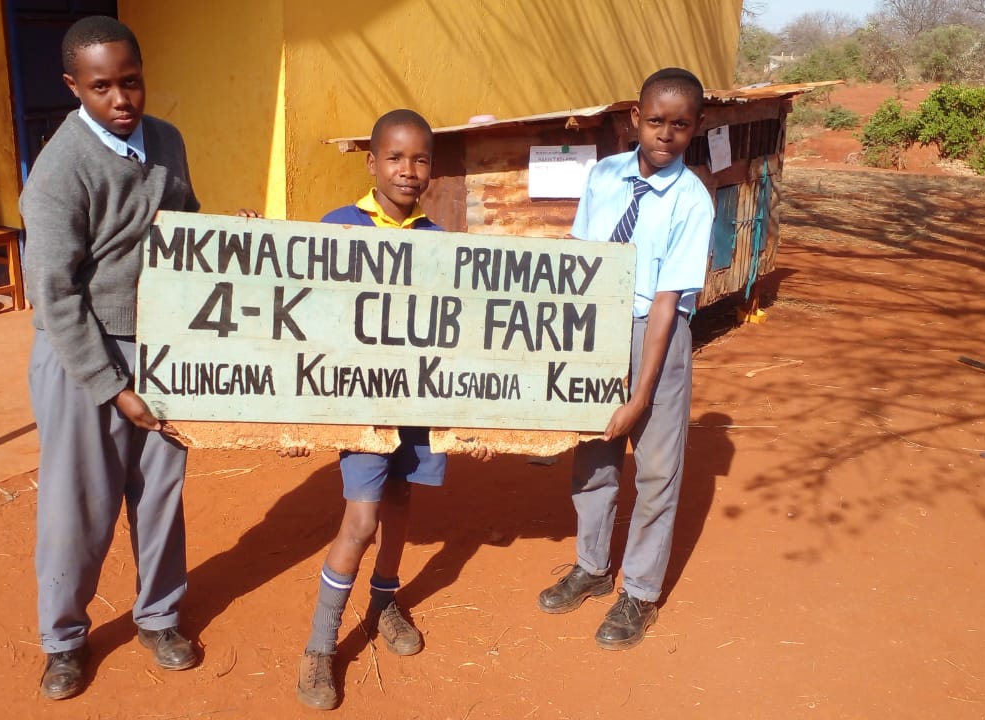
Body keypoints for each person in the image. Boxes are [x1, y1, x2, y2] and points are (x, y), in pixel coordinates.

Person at [21, 15, 203, 700]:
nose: (121, 99)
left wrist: (229, 242)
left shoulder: (167, 142)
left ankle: (158, 618)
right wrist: (111, 383)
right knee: (78, 508)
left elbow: (186, 226)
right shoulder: (60, 171)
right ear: (74, 87)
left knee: (160, 496)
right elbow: (54, 296)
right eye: (102, 87)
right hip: (81, 353)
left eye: (131, 82)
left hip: (161, 348)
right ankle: (64, 641)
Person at [294, 109, 492, 711]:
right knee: (360, 519)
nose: (410, 170)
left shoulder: (437, 240)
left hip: (421, 402)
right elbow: (306, 308)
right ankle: (319, 647)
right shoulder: (337, 228)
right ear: (372, 162)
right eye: (397, 158)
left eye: (422, 159)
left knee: (402, 502)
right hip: (364, 407)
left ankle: (384, 598)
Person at [536, 67, 713, 650]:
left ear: (696, 129)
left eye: (679, 125)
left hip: (654, 333)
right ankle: (591, 566)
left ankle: (638, 590)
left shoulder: (692, 200)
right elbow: (583, 258)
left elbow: (667, 301)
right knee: (594, 456)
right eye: (655, 121)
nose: (665, 134)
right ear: (634, 119)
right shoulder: (604, 175)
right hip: (597, 329)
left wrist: (640, 395)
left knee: (657, 469)